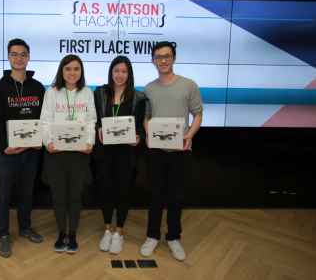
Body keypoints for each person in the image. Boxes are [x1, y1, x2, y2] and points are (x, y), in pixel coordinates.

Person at [140, 41, 203, 261]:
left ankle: (173, 238)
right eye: (159, 57)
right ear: (153, 61)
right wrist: (148, 135)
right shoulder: (149, 88)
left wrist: (189, 136)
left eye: (167, 56)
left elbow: (198, 115)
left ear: (174, 58)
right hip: (156, 152)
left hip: (181, 151)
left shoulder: (189, 85)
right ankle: (152, 236)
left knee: (176, 197)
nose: (163, 60)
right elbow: (146, 117)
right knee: (156, 195)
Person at [0, 38, 45, 258]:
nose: (19, 58)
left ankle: (24, 227)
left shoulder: (38, 87)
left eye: (23, 54)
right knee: (3, 197)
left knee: (27, 193)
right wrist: (3, 147)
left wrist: (40, 140)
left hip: (31, 153)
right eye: (14, 54)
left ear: (28, 57)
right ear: (9, 57)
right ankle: (3, 234)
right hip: (8, 154)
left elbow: (44, 118)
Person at [92, 56, 148, 254]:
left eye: (124, 71)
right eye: (116, 70)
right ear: (111, 72)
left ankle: (119, 233)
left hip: (126, 152)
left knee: (123, 192)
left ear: (129, 74)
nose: (120, 75)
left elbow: (141, 127)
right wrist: (97, 127)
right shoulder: (99, 93)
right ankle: (107, 231)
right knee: (106, 190)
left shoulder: (138, 98)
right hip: (104, 152)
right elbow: (92, 118)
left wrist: (139, 138)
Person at [40, 54, 96, 254]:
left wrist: (89, 141)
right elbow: (45, 122)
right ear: (61, 71)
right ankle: (61, 232)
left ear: (81, 72)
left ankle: (72, 233)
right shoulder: (52, 92)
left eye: (76, 69)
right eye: (68, 69)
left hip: (79, 154)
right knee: (59, 196)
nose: (72, 73)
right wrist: (48, 141)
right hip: (56, 153)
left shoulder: (88, 93)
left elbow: (91, 121)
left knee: (74, 196)